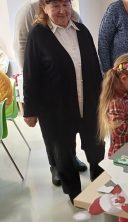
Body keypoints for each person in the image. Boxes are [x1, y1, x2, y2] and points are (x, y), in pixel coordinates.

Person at [23, 0, 105, 203]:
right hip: (55, 109)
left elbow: (95, 67)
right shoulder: (38, 35)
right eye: (55, 6)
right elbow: (30, 75)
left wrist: (104, 99)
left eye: (66, 4)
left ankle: (100, 186)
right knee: (64, 154)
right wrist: (30, 110)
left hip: (88, 103)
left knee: (96, 147)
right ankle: (75, 195)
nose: (62, 10)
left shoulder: (82, 30)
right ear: (44, 8)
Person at [13, 0, 87, 187]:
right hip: (42, 78)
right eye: (55, 6)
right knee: (51, 131)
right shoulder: (28, 11)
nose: (61, 9)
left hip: (66, 80)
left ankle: (71, 158)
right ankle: (54, 165)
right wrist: (35, 72)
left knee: (68, 126)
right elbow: (21, 44)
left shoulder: (68, 10)